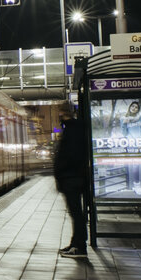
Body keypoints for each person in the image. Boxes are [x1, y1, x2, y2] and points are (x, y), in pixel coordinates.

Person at [54, 103, 90, 258]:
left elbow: (71, 155)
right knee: (76, 213)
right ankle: (75, 243)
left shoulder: (73, 129)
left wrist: (62, 171)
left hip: (72, 178)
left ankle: (80, 247)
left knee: (76, 213)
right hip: (72, 177)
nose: (59, 115)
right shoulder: (73, 128)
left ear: (64, 112)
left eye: (60, 112)